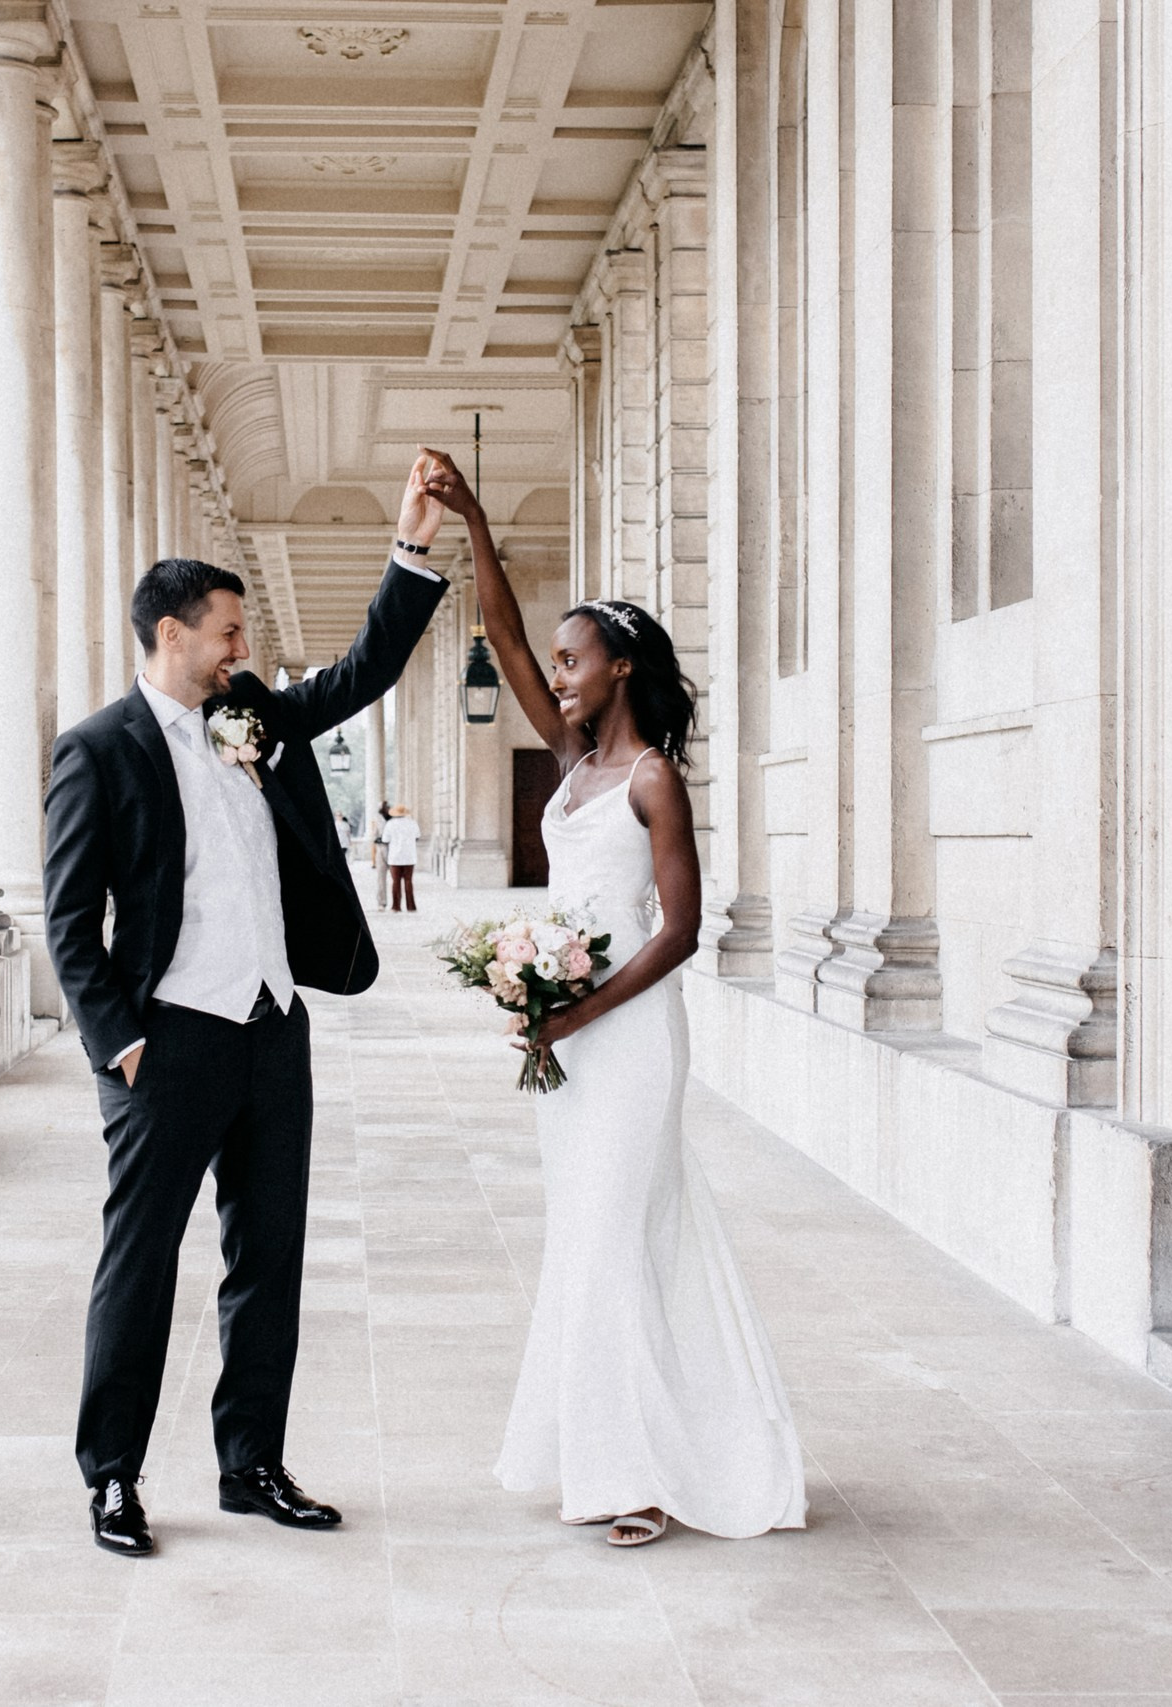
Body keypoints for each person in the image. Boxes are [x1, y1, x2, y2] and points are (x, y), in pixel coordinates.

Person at [42, 451, 454, 1559]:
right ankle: (114, 1478)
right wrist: (118, 1042)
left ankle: (250, 1465)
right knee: (139, 1262)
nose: (244, 649)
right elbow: (69, 922)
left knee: (269, 1259)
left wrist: (409, 544)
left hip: (274, 1033)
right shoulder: (97, 751)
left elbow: (362, 672)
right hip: (165, 1042)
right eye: (228, 631)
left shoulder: (255, 719)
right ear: (171, 633)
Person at [423, 447, 806, 1548]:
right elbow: (498, 634)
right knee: (598, 1240)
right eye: (559, 662)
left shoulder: (649, 779)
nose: (562, 675)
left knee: (605, 1239)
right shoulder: (571, 760)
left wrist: (575, 1014)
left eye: (577, 660)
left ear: (623, 666)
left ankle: (630, 1476)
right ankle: (614, 1450)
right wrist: (477, 522)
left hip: (627, 1038)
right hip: (568, 1043)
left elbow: (681, 930)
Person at [378, 806, 419, 911]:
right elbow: (417, 836)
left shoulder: (390, 824)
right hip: (410, 856)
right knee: (408, 881)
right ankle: (411, 906)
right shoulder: (412, 823)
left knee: (396, 882)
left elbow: (385, 839)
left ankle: (396, 906)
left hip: (395, 857)